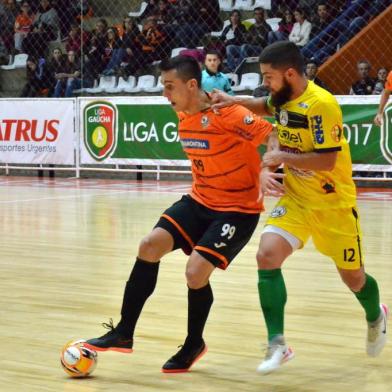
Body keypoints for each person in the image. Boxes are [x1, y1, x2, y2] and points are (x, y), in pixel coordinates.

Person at [84, 55, 274, 373]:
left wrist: (269, 166)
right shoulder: (181, 114)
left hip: (237, 210)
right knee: (149, 246)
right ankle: (123, 333)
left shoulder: (227, 112)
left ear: (191, 85)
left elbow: (272, 134)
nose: (164, 94)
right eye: (162, 87)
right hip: (200, 201)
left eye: (169, 87)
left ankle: (193, 343)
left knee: (195, 272)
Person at [211, 41, 388, 374]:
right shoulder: (282, 97)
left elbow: (327, 158)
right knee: (266, 255)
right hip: (295, 200)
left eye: (268, 76)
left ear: (289, 73)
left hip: (334, 205)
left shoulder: (322, 104)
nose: (265, 82)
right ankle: (277, 343)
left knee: (354, 279)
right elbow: (264, 105)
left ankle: (376, 314)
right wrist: (234, 101)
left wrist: (281, 157)